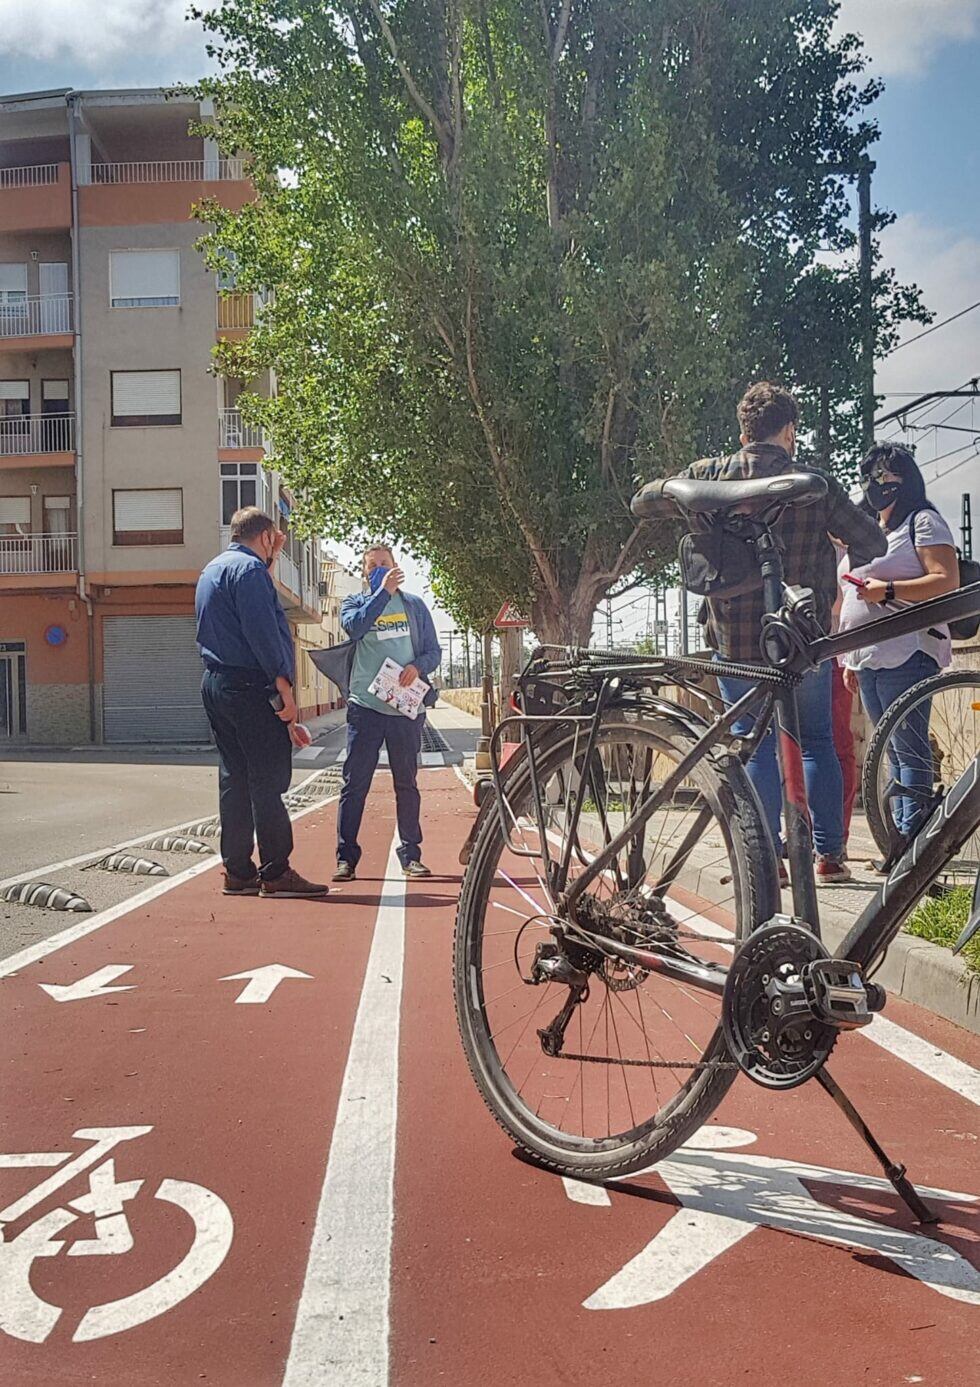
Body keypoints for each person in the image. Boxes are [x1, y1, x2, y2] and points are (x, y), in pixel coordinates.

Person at [647, 382, 887, 884]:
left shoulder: (709, 475)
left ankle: (768, 859)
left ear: (742, 432)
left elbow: (648, 498)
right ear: (790, 432)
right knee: (818, 741)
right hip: (803, 638)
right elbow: (871, 539)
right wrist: (838, 589)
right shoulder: (812, 483)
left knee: (751, 744)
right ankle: (830, 856)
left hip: (735, 643)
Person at [195, 507, 329, 899]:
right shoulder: (250, 573)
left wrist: (268, 558)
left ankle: (237, 871)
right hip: (251, 686)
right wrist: (286, 691)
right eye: (274, 539)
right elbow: (264, 632)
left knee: (234, 778)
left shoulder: (214, 569)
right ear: (267, 537)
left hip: (217, 683)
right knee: (267, 781)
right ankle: (276, 871)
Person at [838, 443, 959, 842]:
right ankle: (904, 840)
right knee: (891, 749)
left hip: (908, 652)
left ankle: (913, 842)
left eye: (887, 476)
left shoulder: (922, 522)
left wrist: (888, 590)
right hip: (869, 657)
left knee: (909, 747)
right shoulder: (872, 530)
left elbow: (946, 579)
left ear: (906, 480)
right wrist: (848, 658)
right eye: (871, 476)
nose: (878, 485)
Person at [334, 544, 442, 881]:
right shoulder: (355, 603)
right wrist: (382, 592)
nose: (379, 567)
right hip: (365, 708)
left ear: (397, 566)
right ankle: (346, 858)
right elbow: (355, 628)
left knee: (406, 784)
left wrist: (417, 666)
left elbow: (433, 651)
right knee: (355, 785)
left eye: (385, 563)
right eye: (373, 565)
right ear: (365, 572)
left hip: (404, 710)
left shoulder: (415, 606)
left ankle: (411, 855)